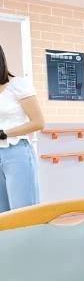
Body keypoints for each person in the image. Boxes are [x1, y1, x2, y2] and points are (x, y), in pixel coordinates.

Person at [0, 44, 44, 213]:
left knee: (23, 212)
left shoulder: (18, 84)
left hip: (16, 152)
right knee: (3, 215)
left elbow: (38, 122)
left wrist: (4, 133)